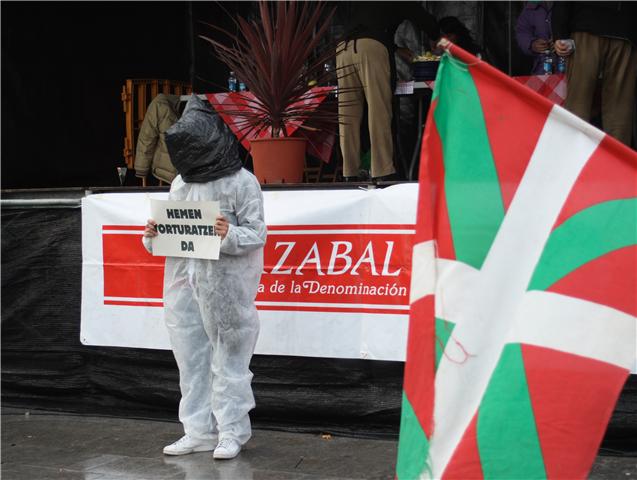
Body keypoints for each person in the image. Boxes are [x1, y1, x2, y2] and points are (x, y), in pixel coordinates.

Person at [142, 94, 267, 460]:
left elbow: (257, 233)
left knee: (229, 360)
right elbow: (169, 237)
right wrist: (151, 235)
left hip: (226, 288)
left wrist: (228, 233)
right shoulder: (181, 183)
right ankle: (197, 431)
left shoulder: (243, 183)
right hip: (184, 284)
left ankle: (231, 432)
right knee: (191, 360)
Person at [336, 2, 438, 182]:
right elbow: (423, 18)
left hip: (343, 48)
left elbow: (369, 24)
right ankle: (382, 171)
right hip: (371, 47)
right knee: (379, 111)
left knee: (347, 114)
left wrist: (396, 48)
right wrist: (437, 36)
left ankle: (349, 171)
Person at [552, 1, 637, 146]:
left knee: (578, 104)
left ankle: (574, 157)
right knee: (619, 109)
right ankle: (617, 163)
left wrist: (560, 33)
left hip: (587, 24)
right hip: (625, 29)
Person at [135, 93, 180, 185]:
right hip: (170, 173)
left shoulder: (160, 104)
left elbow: (146, 139)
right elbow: (147, 138)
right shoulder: (160, 104)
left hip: (172, 173)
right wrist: (142, 169)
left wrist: (142, 170)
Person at [515, 1, 556, 75]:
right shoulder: (532, 5)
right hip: (541, 68)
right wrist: (531, 44)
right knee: (536, 86)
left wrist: (562, 39)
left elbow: (579, 30)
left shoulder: (568, 4)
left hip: (569, 65)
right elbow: (522, 32)